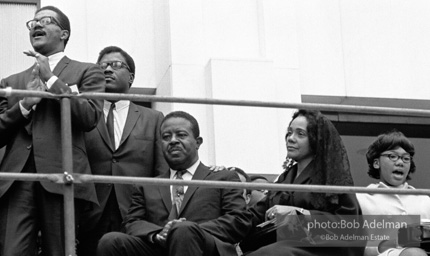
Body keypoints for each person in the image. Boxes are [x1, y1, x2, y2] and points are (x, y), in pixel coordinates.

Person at [0, 5, 105, 255]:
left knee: (61, 250)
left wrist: (52, 81)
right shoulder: (10, 83)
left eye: (45, 21)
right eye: (32, 23)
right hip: (17, 181)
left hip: (62, 176)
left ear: (64, 33)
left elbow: (89, 116)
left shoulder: (87, 71)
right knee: (11, 250)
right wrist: (25, 105)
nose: (36, 25)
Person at [96, 111, 252, 256]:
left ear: (198, 142)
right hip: (158, 247)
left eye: (181, 135)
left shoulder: (223, 177)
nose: (173, 141)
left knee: (183, 231)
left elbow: (239, 220)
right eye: (166, 137)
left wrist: (186, 230)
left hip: (204, 247)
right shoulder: (147, 185)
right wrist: (157, 235)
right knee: (111, 241)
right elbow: (132, 222)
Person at [77, 46, 168, 256]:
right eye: (103, 66)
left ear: (131, 77)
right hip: (91, 214)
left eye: (116, 65)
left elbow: (161, 169)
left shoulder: (153, 118)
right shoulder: (84, 115)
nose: (108, 69)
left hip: (137, 215)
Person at [241, 109, 365, 256]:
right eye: (289, 132)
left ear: (316, 139)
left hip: (324, 248)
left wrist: (299, 214)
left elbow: (348, 223)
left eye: (300, 134)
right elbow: (254, 216)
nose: (290, 138)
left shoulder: (333, 177)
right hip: (285, 246)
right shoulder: (284, 179)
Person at [356, 130, 430, 256]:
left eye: (406, 158)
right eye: (392, 156)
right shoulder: (361, 199)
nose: (400, 162)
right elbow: (353, 247)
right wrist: (396, 241)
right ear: (376, 163)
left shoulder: (425, 199)